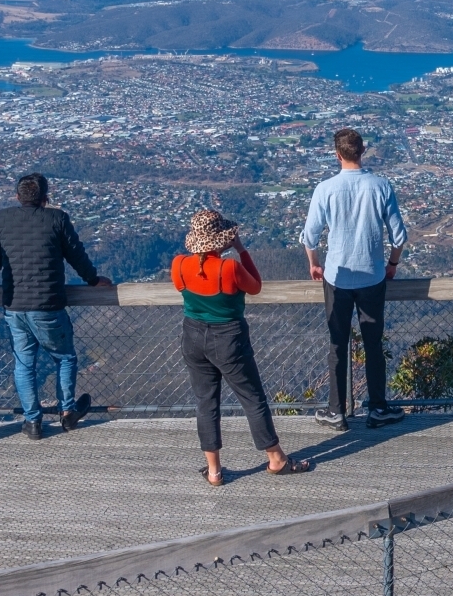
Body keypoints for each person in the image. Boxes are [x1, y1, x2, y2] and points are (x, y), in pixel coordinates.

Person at [171, 209, 309, 485]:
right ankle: (276, 458)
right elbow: (256, 286)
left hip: (192, 335)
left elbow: (181, 288)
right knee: (251, 398)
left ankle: (214, 471)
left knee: (206, 402)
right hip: (229, 338)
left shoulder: (179, 265)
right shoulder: (229, 268)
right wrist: (241, 250)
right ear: (220, 239)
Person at [0, 172, 110, 437]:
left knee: (24, 364)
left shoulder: (3, 219)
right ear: (46, 197)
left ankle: (33, 422)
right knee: (65, 357)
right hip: (48, 304)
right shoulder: (57, 219)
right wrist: (92, 279)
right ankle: (67, 413)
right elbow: (75, 255)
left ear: (17, 197)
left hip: (14, 306)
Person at [299, 127, 409, 428]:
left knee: (337, 343)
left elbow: (309, 237)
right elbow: (399, 236)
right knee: (373, 345)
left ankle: (336, 411)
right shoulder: (381, 186)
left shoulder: (325, 189)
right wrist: (392, 265)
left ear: (337, 155)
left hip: (336, 277)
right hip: (372, 277)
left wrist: (315, 264)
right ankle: (377, 408)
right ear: (362, 151)